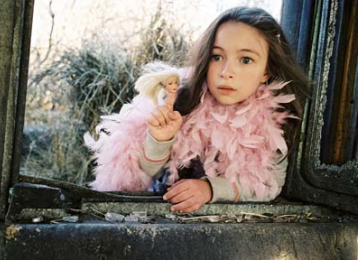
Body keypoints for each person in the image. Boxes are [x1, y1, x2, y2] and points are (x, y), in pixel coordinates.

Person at [85, 6, 310, 214]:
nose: (226, 71)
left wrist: (210, 189)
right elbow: (142, 173)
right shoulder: (181, 102)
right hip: (161, 217)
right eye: (217, 56)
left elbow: (269, 184)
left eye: (246, 59)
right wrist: (159, 140)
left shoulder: (273, 121)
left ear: (266, 71)